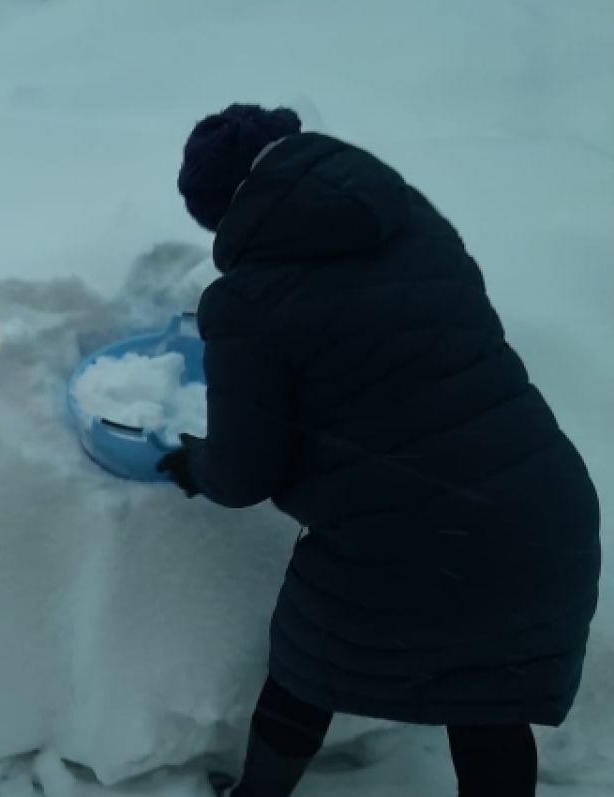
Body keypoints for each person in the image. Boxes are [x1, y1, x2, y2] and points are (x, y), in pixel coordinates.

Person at [155, 104, 601, 796]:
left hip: (420, 539)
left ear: (224, 211)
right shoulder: (409, 221)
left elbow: (243, 474)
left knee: (309, 663)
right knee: (490, 700)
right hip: (545, 510)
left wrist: (194, 462)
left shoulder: (248, 303)